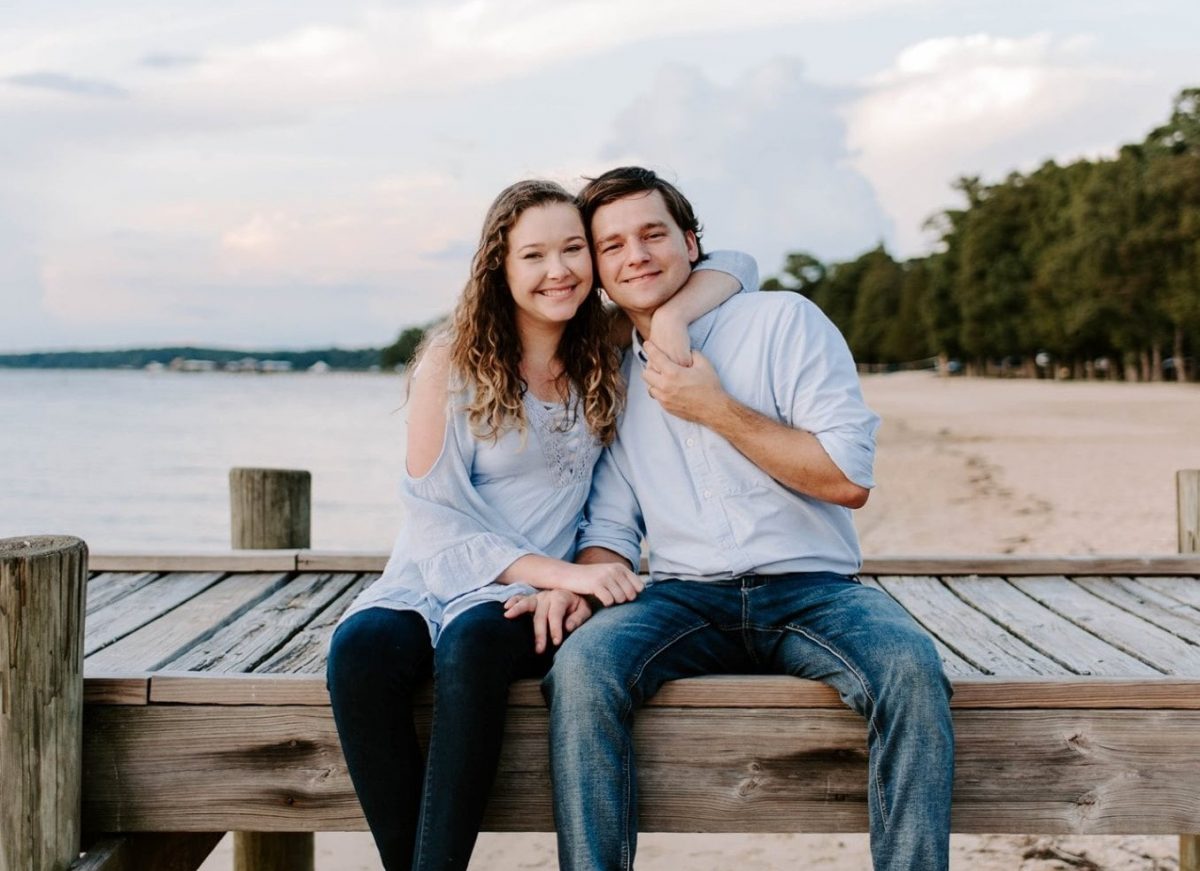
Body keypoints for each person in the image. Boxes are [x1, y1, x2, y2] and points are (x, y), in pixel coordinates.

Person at [507, 167, 954, 871]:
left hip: (815, 587)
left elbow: (847, 477)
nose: (638, 255)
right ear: (598, 269)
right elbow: (614, 526)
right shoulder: (613, 370)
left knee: (909, 664)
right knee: (584, 665)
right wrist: (575, 579)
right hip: (685, 597)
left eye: (654, 234)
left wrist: (715, 408)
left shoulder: (783, 321)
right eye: (614, 245)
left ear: (690, 242)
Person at [326, 178, 757, 871]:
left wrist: (671, 319)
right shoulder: (450, 360)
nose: (557, 270)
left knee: (472, 644)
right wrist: (570, 573)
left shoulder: (607, 345)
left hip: (522, 600)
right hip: (436, 573)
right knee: (360, 649)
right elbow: (434, 518)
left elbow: (738, 263)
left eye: (572, 250)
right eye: (533, 255)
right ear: (500, 266)